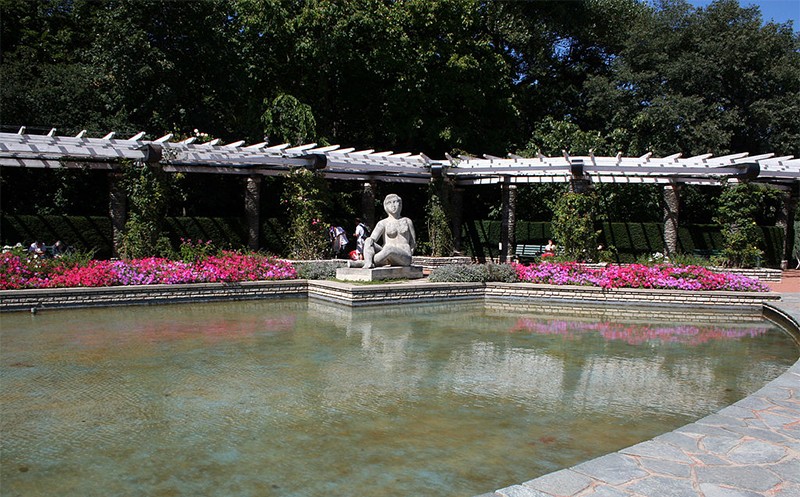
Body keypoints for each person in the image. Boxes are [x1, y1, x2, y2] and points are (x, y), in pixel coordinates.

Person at [362, 194, 416, 269]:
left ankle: (371, 261)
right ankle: (368, 263)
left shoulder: (407, 221)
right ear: (386, 206)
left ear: (400, 204)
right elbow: (372, 239)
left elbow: (413, 242)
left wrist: (410, 254)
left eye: (395, 202)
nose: (393, 205)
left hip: (404, 255)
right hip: (386, 255)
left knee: (390, 248)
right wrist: (369, 242)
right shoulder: (383, 223)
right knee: (368, 240)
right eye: (389, 203)